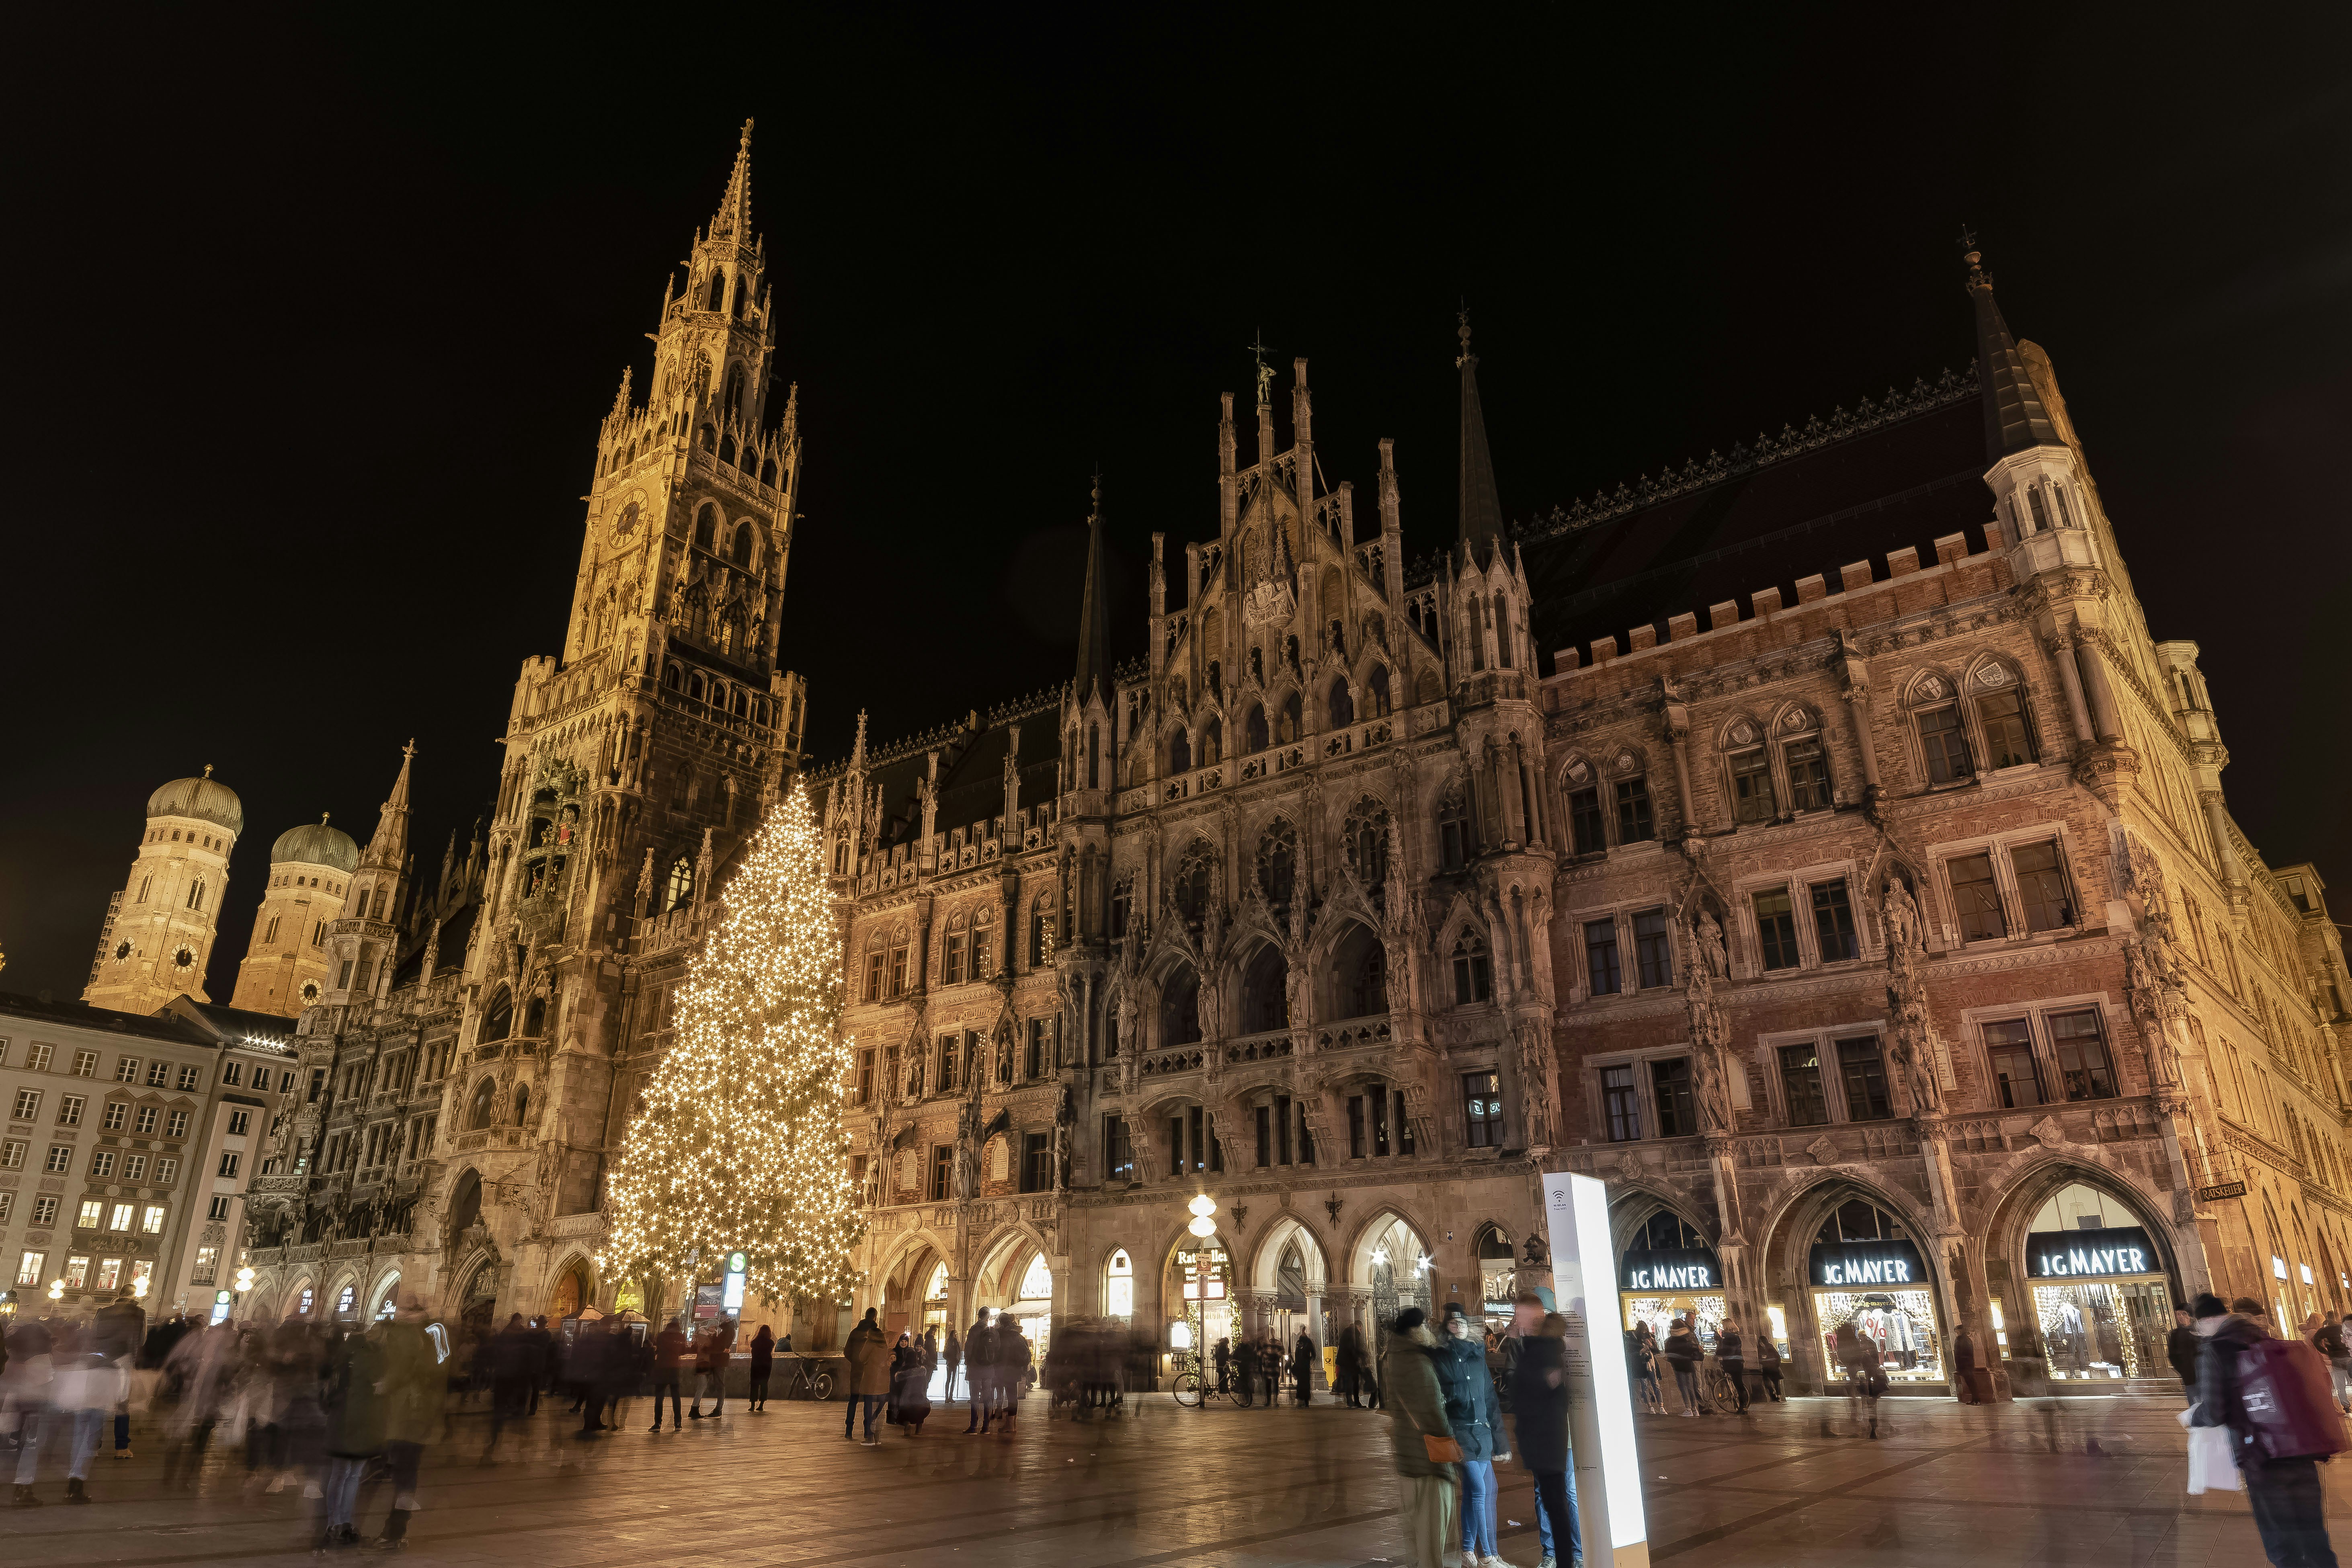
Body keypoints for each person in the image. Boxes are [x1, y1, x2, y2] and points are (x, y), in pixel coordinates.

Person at [2192, 1291, 2340, 1568]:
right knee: (2314, 1537)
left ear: (2208, 1319)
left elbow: (2213, 1412)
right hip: (2300, 1449)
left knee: (2282, 1544)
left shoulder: (2216, 1349)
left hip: (2261, 1456)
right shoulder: (2264, 1336)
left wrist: (2193, 1415)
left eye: (2198, 1325)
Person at [367, 1294, 445, 1549]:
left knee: (388, 1472)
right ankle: (397, 1530)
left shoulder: (406, 1334)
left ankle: (391, 1532)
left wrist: (381, 1386)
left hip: (403, 1414)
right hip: (422, 1415)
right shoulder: (435, 1333)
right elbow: (443, 1369)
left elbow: (400, 1371)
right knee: (406, 1473)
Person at [1381, 1309, 1458, 1568]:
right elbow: (1433, 1409)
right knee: (1432, 1536)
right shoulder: (1417, 1361)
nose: (1429, 1329)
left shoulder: (1396, 1357)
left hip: (1407, 1455)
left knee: (1417, 1533)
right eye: (1425, 1325)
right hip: (1428, 1460)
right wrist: (1450, 1441)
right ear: (1416, 1330)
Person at [1510, 1289, 1579, 1568]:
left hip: (1550, 1441)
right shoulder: (1533, 1348)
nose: (1518, 1321)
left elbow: (1549, 1394)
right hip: (1543, 1441)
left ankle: (1571, 1554)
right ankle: (1555, 1554)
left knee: (1562, 1498)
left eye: (1521, 1315)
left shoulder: (1547, 1350)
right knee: (1552, 1499)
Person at [1437, 1304, 1508, 1568]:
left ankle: (1470, 1552)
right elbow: (1441, 1397)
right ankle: (1487, 1556)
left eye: (1463, 1323)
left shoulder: (1477, 1359)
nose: (1459, 1327)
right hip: (1460, 1435)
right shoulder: (1442, 1358)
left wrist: (1501, 1442)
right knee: (1478, 1490)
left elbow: (1491, 1402)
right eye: (1453, 1324)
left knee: (1485, 1490)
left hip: (1481, 1435)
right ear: (1447, 1328)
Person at [318, 1324, 387, 1551]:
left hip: (340, 1423)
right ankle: (346, 1524)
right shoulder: (373, 1361)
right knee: (354, 1476)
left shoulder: (339, 1360)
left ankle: (333, 1524)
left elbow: (325, 1397)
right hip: (362, 1426)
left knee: (339, 1475)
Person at [484, 1315, 533, 1459]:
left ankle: (496, 1435)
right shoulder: (522, 1341)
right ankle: (503, 1434)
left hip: (505, 1377)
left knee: (500, 1407)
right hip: (512, 1377)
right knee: (505, 1406)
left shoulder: (504, 1337)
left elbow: (495, 1355)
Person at [843, 1308, 889, 1444]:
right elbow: (883, 1353)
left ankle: (849, 1431)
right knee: (868, 1403)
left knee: (853, 1401)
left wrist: (855, 1363)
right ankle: (867, 1431)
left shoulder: (855, 1332)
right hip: (870, 1373)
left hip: (856, 1372)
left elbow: (847, 1351)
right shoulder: (877, 1334)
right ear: (875, 1317)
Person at [689, 1316, 733, 1419]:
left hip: (708, 1363)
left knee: (703, 1386)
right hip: (702, 1363)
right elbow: (704, 1349)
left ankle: (694, 1409)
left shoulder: (713, 1335)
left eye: (715, 1327)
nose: (714, 1329)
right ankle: (694, 1409)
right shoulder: (703, 1335)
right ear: (709, 1326)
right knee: (702, 1386)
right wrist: (722, 1350)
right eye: (712, 1327)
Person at [648, 1319, 688, 1433]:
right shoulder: (681, 1336)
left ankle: (657, 1423)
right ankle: (678, 1423)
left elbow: (657, 1349)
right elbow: (683, 1352)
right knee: (676, 1397)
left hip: (661, 1368)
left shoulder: (661, 1335)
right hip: (674, 1369)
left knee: (659, 1398)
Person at [1663, 1317, 1706, 1417]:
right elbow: (1691, 1350)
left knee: (1683, 1387)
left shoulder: (1672, 1340)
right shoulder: (1688, 1338)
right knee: (1690, 1387)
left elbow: (1669, 1352)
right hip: (1689, 1365)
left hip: (1678, 1366)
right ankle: (1695, 1409)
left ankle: (1688, 1409)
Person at [891, 1333, 932, 1435]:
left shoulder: (902, 1373)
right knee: (919, 1413)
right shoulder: (922, 1371)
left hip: (908, 1405)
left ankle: (907, 1425)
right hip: (924, 1406)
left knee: (901, 1415)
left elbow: (898, 1388)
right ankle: (919, 1428)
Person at [963, 1311, 997, 1433]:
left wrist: (968, 1362)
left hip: (976, 1368)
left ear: (978, 1316)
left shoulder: (974, 1330)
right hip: (989, 1369)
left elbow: (968, 1347)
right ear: (988, 1317)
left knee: (975, 1398)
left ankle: (973, 1427)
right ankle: (986, 1427)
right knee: (988, 1399)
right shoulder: (992, 1331)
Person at [2313, 1314, 2350, 1415]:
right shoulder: (2343, 1327)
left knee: (2340, 1385)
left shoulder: (2325, 1330)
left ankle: (2346, 1407)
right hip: (2348, 1357)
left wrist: (2325, 1351)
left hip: (2336, 1359)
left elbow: (2316, 1341)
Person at [1718, 1316, 1750, 1413]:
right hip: (1737, 1362)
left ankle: (1743, 1406)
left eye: (1723, 1325)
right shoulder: (1734, 1336)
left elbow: (1730, 1350)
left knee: (1738, 1384)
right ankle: (1743, 1406)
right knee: (1738, 1384)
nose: (1722, 1327)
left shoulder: (1730, 1338)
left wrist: (1719, 1352)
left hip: (1733, 1363)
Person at [747, 1324, 775, 1413]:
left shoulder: (755, 1342)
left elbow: (752, 1349)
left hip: (756, 1365)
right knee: (764, 1385)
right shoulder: (771, 1343)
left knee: (754, 1385)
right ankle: (761, 1405)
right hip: (767, 1366)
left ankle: (752, 1406)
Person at [1756, 1332, 1785, 1403]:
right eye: (1760, 1343)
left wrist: (1773, 1363)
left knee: (1776, 1383)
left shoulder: (1770, 1347)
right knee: (1767, 1384)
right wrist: (1765, 1361)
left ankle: (1778, 1396)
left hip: (1773, 1369)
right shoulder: (1760, 1350)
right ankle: (1773, 1396)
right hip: (1766, 1369)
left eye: (1762, 1342)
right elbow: (1760, 1360)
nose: (1761, 1344)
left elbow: (1777, 1357)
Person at [1292, 1331, 1317, 1408]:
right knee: (1302, 1383)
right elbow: (1298, 1354)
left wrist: (1310, 1363)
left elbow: (1313, 1355)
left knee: (1304, 1383)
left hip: (1304, 1366)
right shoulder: (1299, 1343)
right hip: (1302, 1366)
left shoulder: (1307, 1343)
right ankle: (1302, 1400)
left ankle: (1305, 1401)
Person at [943, 1327, 964, 1402]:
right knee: (950, 1380)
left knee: (950, 1380)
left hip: (952, 1363)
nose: (956, 1335)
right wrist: (955, 1360)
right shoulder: (953, 1342)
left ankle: (949, 1397)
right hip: (953, 1363)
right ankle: (949, 1397)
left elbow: (946, 1354)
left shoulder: (951, 1342)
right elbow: (957, 1352)